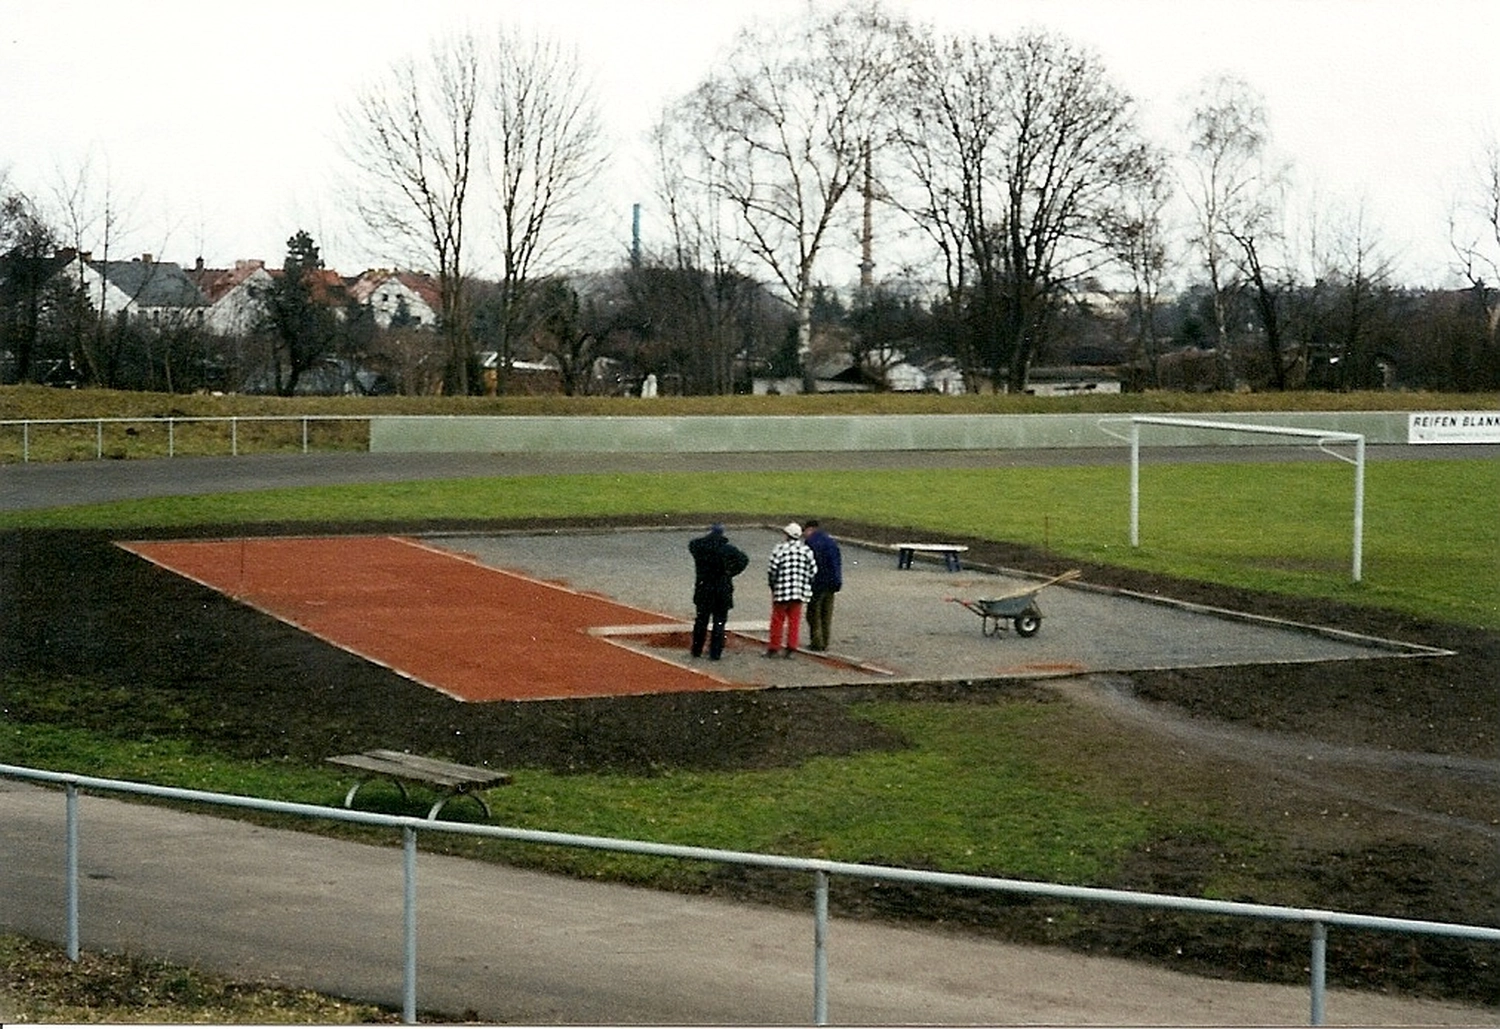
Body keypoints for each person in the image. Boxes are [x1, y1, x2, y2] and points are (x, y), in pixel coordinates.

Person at [687, 523, 749, 660]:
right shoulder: (728, 550)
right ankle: (715, 653)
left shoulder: (699, 546)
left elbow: (692, 544)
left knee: (701, 621)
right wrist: (731, 572)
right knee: (719, 622)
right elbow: (744, 559)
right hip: (722, 590)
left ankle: (696, 650)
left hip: (704, 588)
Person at [765, 521, 817, 658]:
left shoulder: (780, 549)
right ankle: (791, 648)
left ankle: (774, 647)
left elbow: (772, 570)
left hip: (782, 591)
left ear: (787, 535)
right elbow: (813, 570)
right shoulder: (806, 550)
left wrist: (773, 585)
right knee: (794, 621)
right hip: (799, 591)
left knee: (777, 620)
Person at [801, 520, 842, 651]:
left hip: (818, 583)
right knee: (826, 614)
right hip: (832, 582)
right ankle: (825, 641)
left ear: (809, 529)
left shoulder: (811, 543)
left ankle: (816, 642)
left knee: (813, 613)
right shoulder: (830, 541)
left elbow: (810, 564)